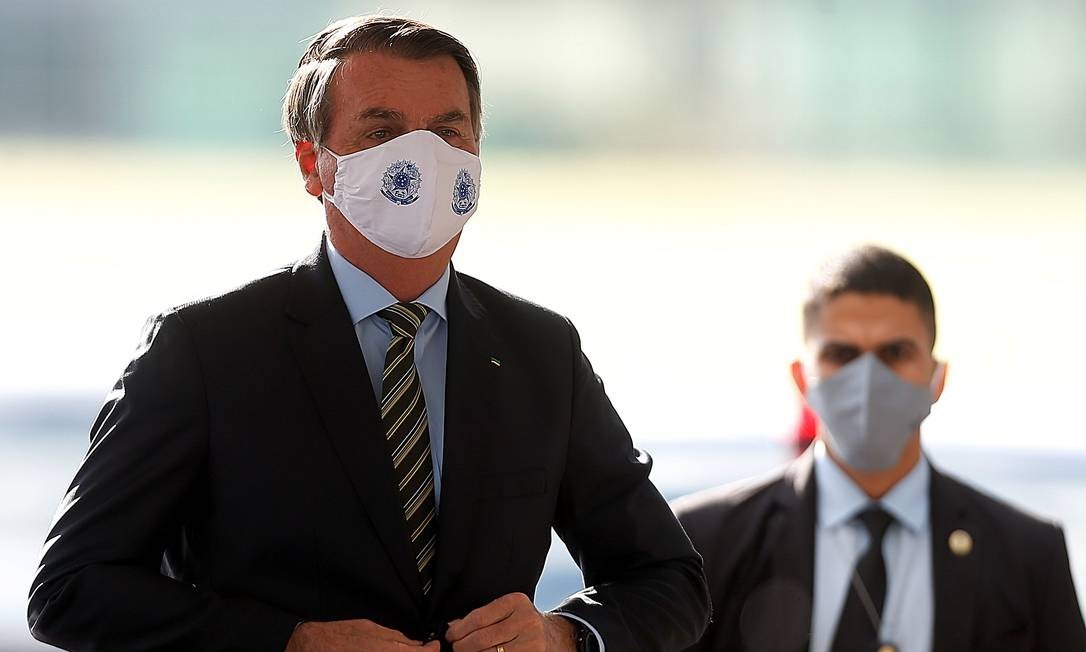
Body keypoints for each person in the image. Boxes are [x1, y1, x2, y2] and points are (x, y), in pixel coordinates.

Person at [28, 16, 709, 652]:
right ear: (310, 164)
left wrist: (564, 636)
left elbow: (669, 581)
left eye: (448, 133)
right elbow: (71, 588)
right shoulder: (205, 351)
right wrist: (289, 640)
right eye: (382, 133)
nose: (424, 160)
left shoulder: (541, 352)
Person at [673, 245, 1086, 652]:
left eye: (896, 353)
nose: (867, 379)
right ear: (802, 380)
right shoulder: (706, 541)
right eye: (842, 354)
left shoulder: (1027, 555)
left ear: (937, 378)